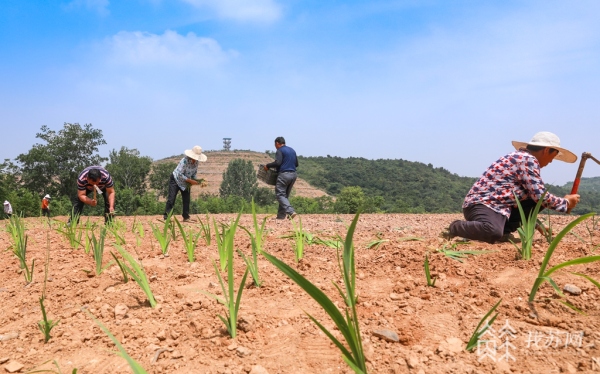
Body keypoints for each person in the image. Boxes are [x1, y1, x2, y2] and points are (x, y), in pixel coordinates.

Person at [444, 131, 581, 244]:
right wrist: (566, 202)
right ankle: (454, 227)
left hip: (499, 208)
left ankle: (502, 233)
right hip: (483, 205)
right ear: (546, 150)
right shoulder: (527, 159)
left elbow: (531, 199)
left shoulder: (522, 158)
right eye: (553, 156)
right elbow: (540, 196)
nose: (551, 161)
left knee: (532, 201)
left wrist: (536, 224)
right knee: (492, 231)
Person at [163, 145, 207, 222]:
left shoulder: (196, 162)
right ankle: (167, 217)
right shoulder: (184, 160)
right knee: (171, 198)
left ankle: (186, 217)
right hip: (176, 180)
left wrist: (198, 181)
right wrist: (190, 181)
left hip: (186, 182)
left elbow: (193, 174)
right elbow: (180, 174)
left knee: (186, 199)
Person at [264, 136, 298, 220]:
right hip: (293, 175)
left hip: (284, 175)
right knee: (284, 196)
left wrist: (268, 166)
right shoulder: (292, 150)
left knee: (280, 194)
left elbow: (278, 163)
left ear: (277, 143)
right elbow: (296, 164)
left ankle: (290, 211)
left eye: (275, 145)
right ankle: (281, 216)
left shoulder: (280, 150)